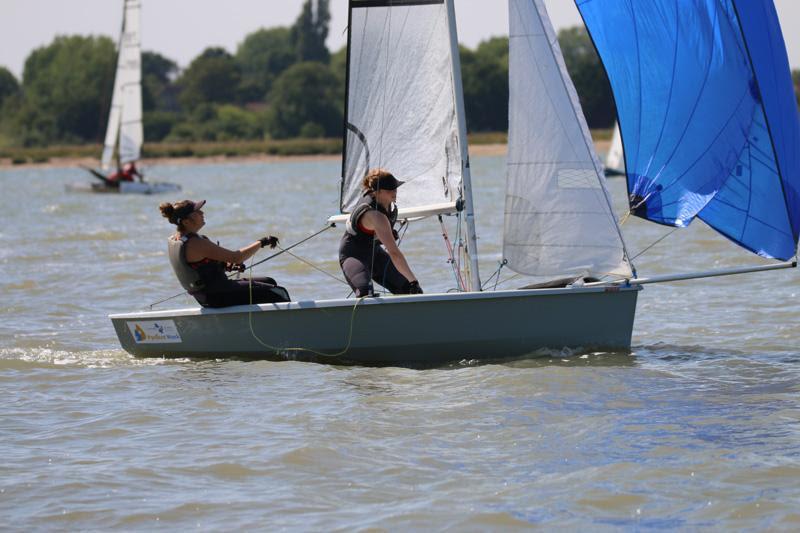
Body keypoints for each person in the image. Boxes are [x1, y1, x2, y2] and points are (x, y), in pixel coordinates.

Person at [159, 199, 290, 307]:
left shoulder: (177, 239)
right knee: (278, 293)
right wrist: (262, 242)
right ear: (186, 221)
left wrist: (226, 266)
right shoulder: (196, 244)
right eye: (197, 211)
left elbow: (201, 266)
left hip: (210, 294)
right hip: (218, 295)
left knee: (269, 281)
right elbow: (236, 257)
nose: (202, 212)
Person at [339, 168, 423, 297]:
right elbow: (394, 253)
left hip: (375, 254)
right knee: (366, 293)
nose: (394, 193)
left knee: (407, 289)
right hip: (353, 255)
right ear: (376, 192)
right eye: (389, 190)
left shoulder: (385, 202)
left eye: (395, 189)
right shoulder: (376, 216)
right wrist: (414, 281)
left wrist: (411, 285)